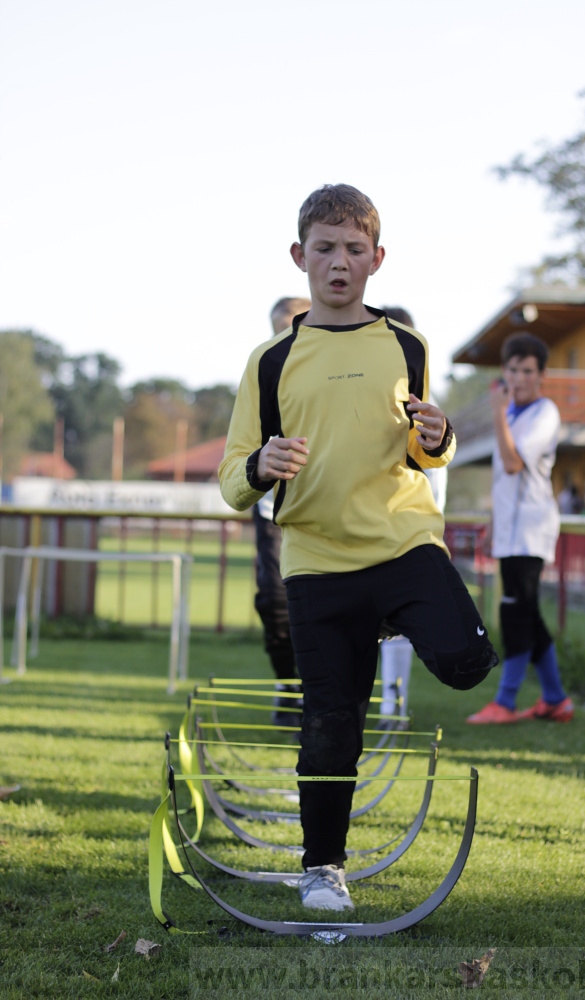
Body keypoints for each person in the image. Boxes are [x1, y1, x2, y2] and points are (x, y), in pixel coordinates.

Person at [219, 183, 498, 911]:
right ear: (299, 256)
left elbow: (425, 447)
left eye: (353, 248)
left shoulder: (407, 345)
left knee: (467, 664)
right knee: (330, 724)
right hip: (316, 561)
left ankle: (386, 617)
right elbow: (231, 479)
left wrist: (438, 436)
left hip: (403, 544)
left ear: (377, 258)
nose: (338, 262)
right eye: (324, 248)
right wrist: (261, 465)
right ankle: (322, 870)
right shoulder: (270, 361)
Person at [467, 333, 573, 725]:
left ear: (541, 375)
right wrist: (494, 524)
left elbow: (513, 464)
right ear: (504, 371)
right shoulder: (512, 414)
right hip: (510, 532)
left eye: (528, 371)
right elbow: (504, 481)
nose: (519, 378)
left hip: (530, 530)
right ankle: (556, 699)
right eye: (513, 370)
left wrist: (497, 412)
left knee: (515, 614)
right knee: (527, 614)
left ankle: (506, 702)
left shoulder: (544, 413)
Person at [378, 305, 448, 720]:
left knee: (400, 625)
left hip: (408, 534)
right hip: (361, 533)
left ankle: (394, 704)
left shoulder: (425, 408)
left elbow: (434, 479)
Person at [252, 297, 311, 729]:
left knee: (319, 607)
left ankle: (320, 691)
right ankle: (287, 684)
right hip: (273, 510)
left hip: (321, 510)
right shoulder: (261, 373)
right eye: (278, 330)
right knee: (272, 601)